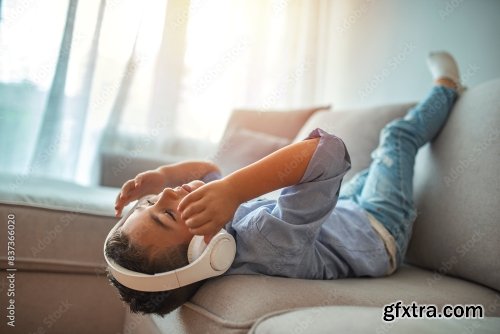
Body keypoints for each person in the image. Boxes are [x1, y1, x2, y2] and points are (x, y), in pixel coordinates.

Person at [105, 52, 463, 315]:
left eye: (150, 202)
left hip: (348, 209)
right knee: (396, 138)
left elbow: (207, 170)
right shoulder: (265, 241)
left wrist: (165, 175)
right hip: (381, 228)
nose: (165, 196)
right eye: (165, 215)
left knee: (373, 168)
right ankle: (447, 88)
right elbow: (329, 153)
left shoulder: (222, 226)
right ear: (202, 252)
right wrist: (233, 190)